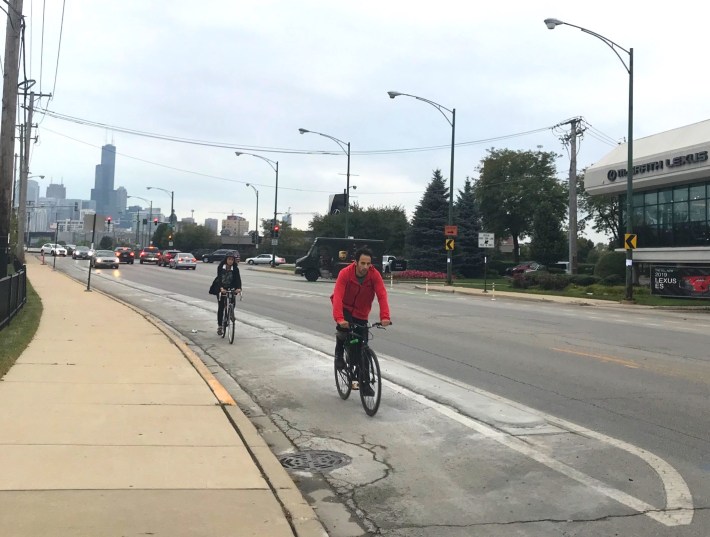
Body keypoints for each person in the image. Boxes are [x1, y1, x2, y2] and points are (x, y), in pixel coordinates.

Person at [331, 247, 391, 396]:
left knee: (361, 346)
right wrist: (340, 318)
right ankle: (339, 353)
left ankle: (363, 384)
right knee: (344, 331)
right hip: (344, 308)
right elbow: (338, 296)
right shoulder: (345, 273)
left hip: (361, 312)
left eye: (368, 263)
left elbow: (382, 295)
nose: (365, 267)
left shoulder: (374, 275)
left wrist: (385, 317)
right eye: (362, 263)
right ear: (356, 262)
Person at [216, 250, 242, 335]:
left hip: (231, 287)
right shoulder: (221, 267)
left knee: (232, 302)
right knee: (221, 307)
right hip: (222, 287)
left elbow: (238, 279)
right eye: (229, 259)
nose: (230, 261)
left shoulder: (235, 269)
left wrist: (239, 288)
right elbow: (219, 279)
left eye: (232, 259)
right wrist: (221, 288)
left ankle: (231, 313)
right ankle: (220, 326)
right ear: (226, 259)